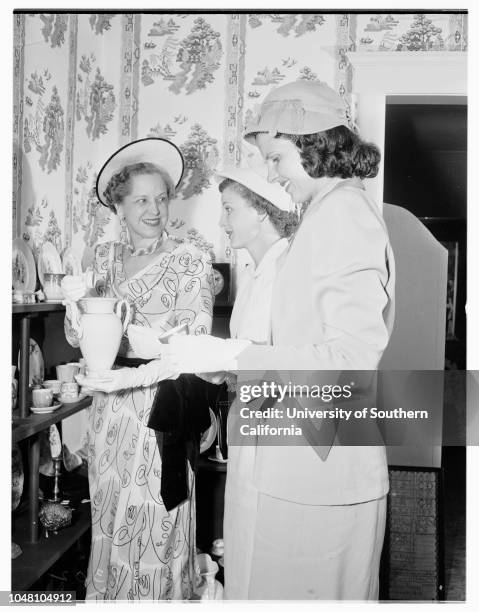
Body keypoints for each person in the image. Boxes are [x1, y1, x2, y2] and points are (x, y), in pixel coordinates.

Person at [158, 81, 396, 600]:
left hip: (322, 475)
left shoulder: (343, 214)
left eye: (277, 158)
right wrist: (226, 363)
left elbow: (351, 359)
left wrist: (234, 354)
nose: (271, 174)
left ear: (316, 143)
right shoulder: (325, 216)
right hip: (301, 468)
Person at [61, 138, 214, 601]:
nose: (154, 210)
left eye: (161, 199)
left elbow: (194, 347)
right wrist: (74, 308)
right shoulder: (101, 261)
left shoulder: (191, 261)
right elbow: (78, 341)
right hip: (108, 414)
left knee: (155, 524)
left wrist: (133, 371)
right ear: (119, 207)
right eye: (141, 200)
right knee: (110, 520)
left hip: (160, 411)